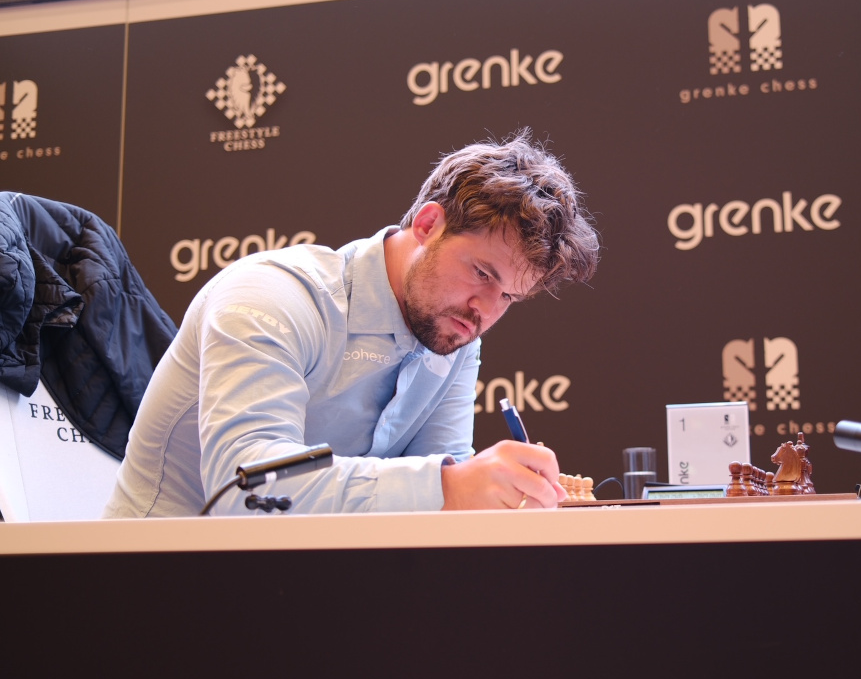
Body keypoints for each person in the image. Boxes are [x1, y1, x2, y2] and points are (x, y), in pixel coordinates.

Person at [104, 131, 600, 517]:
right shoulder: (270, 296)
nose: (485, 311)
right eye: (482, 274)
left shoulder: (455, 335)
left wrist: (486, 498)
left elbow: (445, 504)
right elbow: (244, 489)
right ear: (428, 225)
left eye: (508, 296)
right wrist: (448, 486)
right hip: (155, 580)